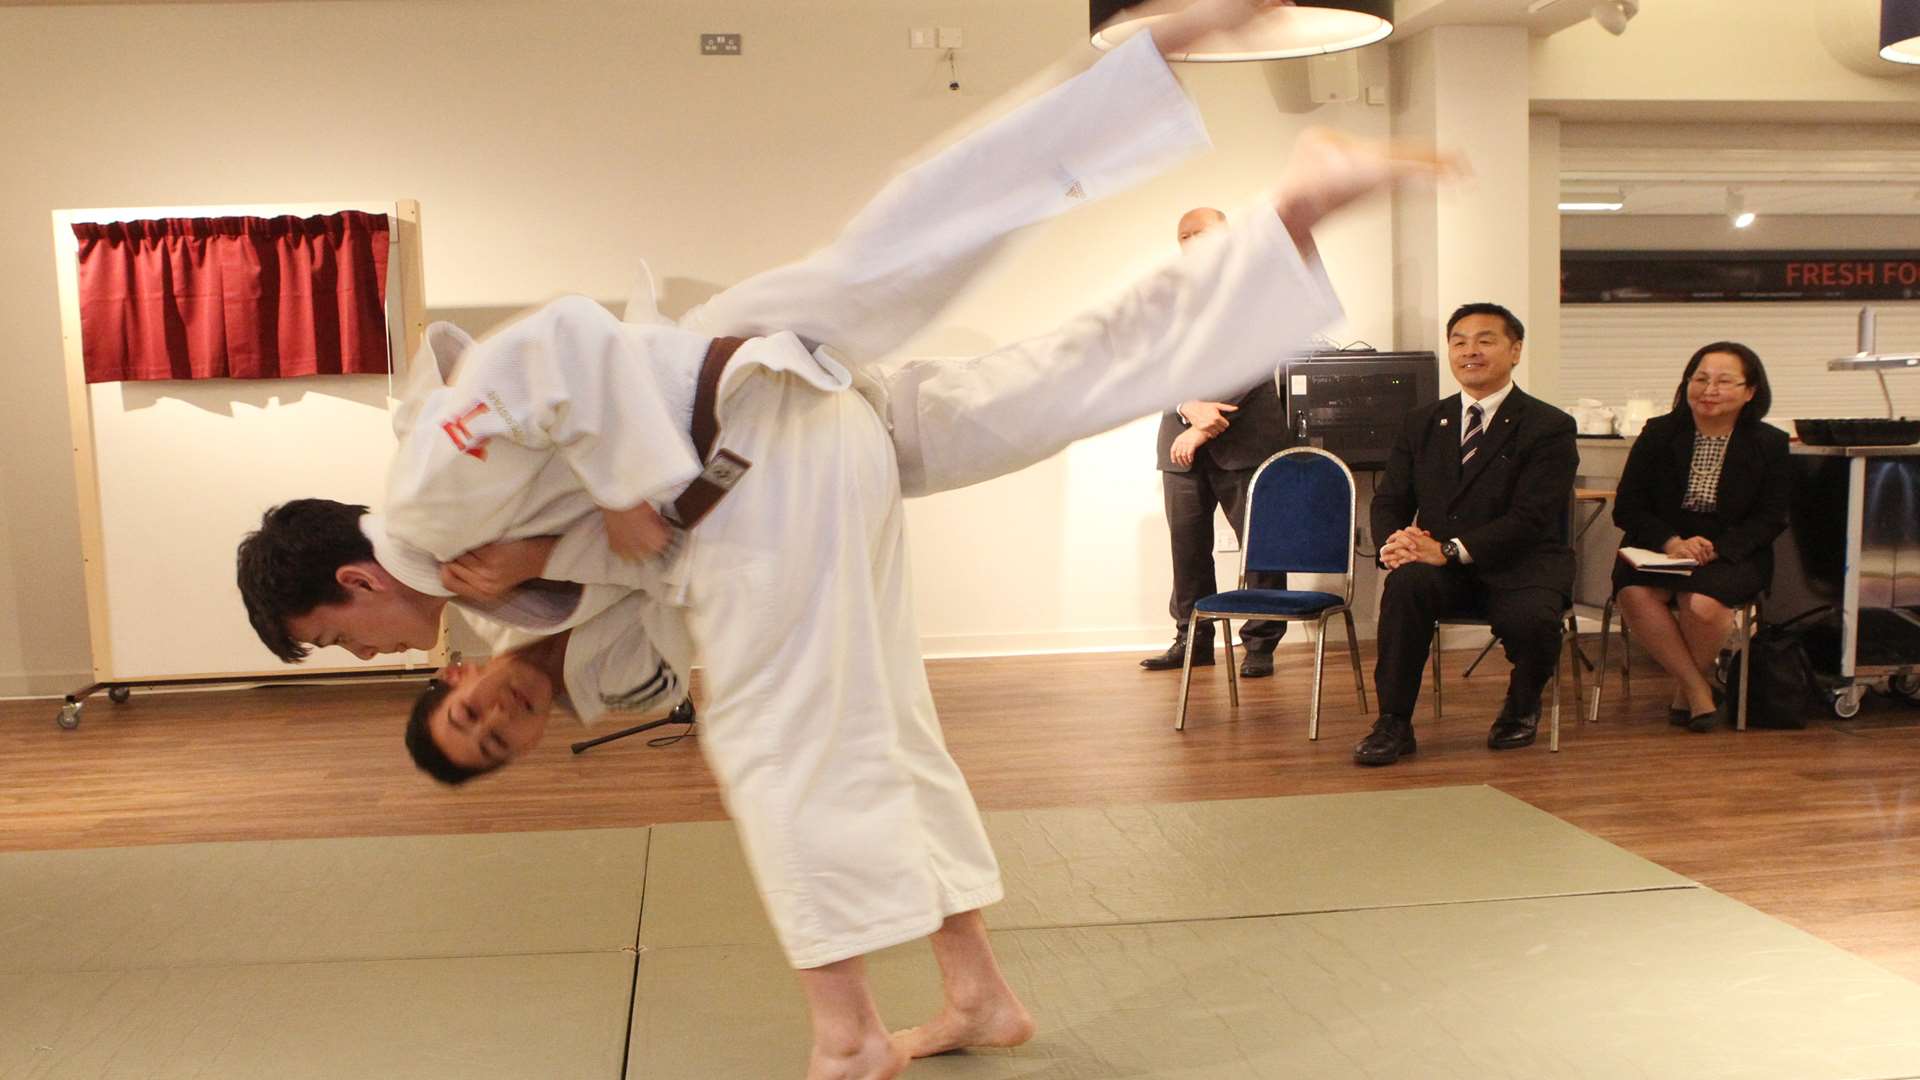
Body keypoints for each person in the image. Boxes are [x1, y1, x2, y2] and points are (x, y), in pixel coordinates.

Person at [240, 12, 1455, 1079]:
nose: (375, 652)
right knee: (995, 309)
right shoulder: (484, 583)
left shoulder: (421, 505)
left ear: (349, 582)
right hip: (801, 417)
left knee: (777, 745)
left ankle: (848, 1036)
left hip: (754, 446)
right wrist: (553, 580)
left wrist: (609, 503)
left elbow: (558, 345)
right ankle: (1235, 160)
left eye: (340, 640)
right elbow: (635, 615)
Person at [1359, 302, 1578, 767]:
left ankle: (1521, 706)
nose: (1469, 351)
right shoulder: (1422, 422)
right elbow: (1391, 498)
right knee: (1404, 586)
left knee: (1535, 619)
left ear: (1515, 350)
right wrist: (1393, 544)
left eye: (1485, 340)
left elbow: (1533, 516)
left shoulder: (1549, 426)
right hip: (1442, 567)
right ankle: (1393, 722)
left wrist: (1450, 549)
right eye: (1459, 341)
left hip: (1522, 564)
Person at [1139, 207, 1289, 679]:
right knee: (1186, 546)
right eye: (1184, 235)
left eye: (1201, 233)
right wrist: (1187, 407)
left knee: (1261, 546)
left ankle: (1261, 642)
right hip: (1179, 442)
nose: (1192, 241)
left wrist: (1203, 424)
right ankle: (1192, 639)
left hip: (1246, 439)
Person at [1610, 342, 1789, 732]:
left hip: (1733, 549)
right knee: (1635, 593)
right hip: (1659, 544)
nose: (1709, 389)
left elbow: (1773, 517)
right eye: (1701, 379)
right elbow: (1627, 507)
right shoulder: (1659, 433)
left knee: (1704, 605)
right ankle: (1696, 688)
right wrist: (1672, 542)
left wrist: (1720, 549)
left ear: (1750, 391)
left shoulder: (1770, 443)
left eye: (1724, 381)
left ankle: (1686, 694)